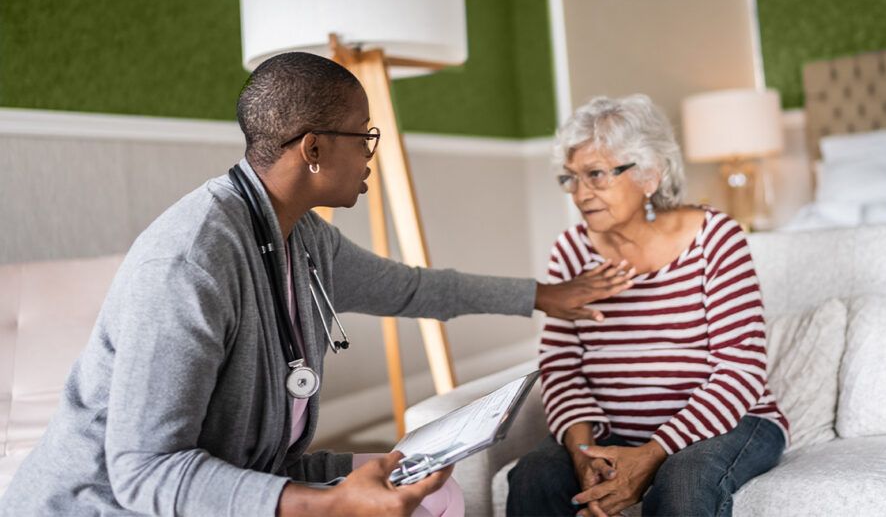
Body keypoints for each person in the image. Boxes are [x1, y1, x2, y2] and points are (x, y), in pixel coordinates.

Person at [0, 53, 635, 517]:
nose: (370, 156)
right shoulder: (189, 263)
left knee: (436, 492)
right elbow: (143, 473)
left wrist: (542, 296)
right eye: (365, 137)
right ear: (313, 148)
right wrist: (320, 506)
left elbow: (412, 290)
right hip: (116, 504)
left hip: (254, 470)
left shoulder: (301, 234)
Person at [506, 95, 789, 517]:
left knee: (685, 480)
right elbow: (562, 368)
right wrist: (584, 453)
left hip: (732, 423)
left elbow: (740, 371)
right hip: (613, 430)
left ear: (650, 174)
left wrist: (655, 452)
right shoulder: (570, 251)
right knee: (534, 474)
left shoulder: (715, 238)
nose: (581, 194)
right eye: (571, 178)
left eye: (597, 175)